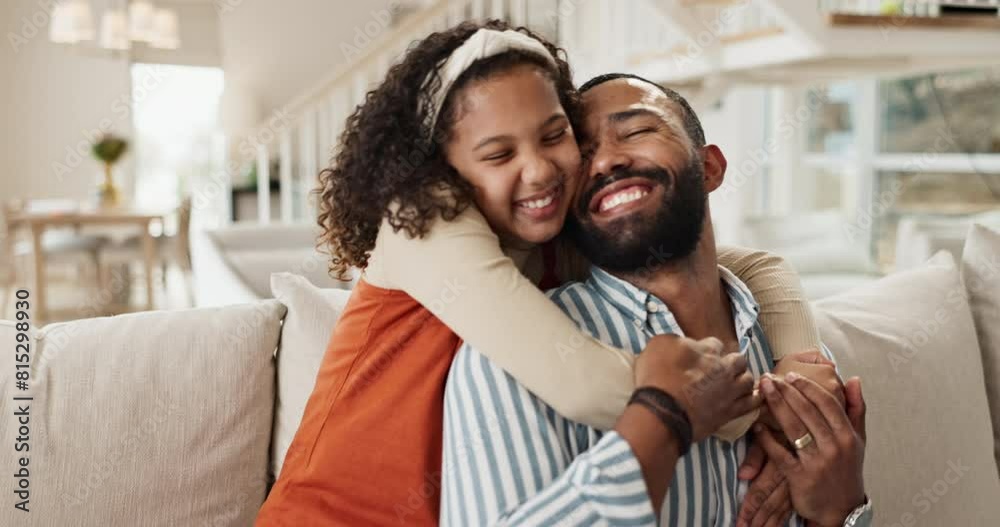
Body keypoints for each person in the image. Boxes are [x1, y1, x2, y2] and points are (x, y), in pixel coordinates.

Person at [256, 21, 837, 526]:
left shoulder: (548, 230)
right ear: (445, 169)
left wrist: (801, 366)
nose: (539, 170)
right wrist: (769, 422)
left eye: (556, 136)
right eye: (498, 154)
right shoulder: (426, 224)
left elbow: (754, 264)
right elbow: (584, 385)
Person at [439, 73, 871, 526]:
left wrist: (842, 511)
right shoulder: (511, 361)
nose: (606, 161)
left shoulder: (797, 357)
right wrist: (660, 425)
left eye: (638, 131)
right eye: (582, 156)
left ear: (710, 168)